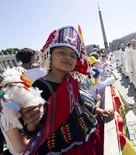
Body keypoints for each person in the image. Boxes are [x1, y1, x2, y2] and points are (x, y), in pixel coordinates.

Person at [18, 26, 114, 154]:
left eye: (73, 55)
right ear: (50, 55)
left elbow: (80, 103)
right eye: (62, 52)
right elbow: (31, 125)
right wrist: (30, 123)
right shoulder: (40, 86)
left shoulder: (72, 80)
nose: (68, 57)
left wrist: (97, 110)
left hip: (86, 134)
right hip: (59, 146)